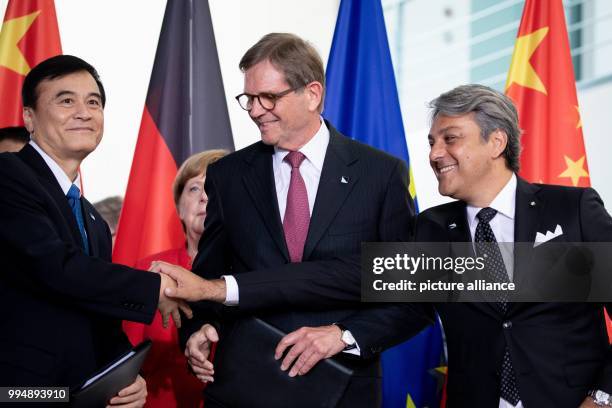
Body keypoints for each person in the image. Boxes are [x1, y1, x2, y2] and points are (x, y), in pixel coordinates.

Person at [287, 84, 612, 407]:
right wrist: (341, 335)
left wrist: (601, 396)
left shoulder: (573, 209)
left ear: (497, 142)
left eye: (450, 139)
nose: (434, 154)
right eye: (432, 142)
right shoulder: (431, 228)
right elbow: (410, 309)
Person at [152, 33, 430, 407]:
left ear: (312, 93)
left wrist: (343, 334)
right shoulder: (229, 176)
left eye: (268, 97)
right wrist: (201, 328)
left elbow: (411, 296)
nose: (254, 110)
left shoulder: (380, 174)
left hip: (342, 390)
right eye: (249, 99)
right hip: (247, 388)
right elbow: (208, 281)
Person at [0, 55, 189, 406]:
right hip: (20, 392)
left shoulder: (93, 220)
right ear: (29, 117)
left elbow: (98, 314)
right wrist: (154, 288)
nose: (84, 112)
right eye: (66, 100)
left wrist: (129, 376)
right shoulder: (8, 174)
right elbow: (54, 267)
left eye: (94, 102)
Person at [124, 150, 226, 408]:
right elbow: (124, 356)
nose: (205, 196)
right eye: (194, 189)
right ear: (179, 208)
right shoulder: (148, 268)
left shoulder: (255, 274)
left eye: (216, 186)